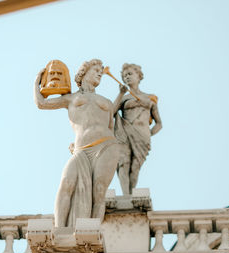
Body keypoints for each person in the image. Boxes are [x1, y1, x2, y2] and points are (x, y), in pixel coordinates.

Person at [34, 59, 120, 227]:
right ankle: (59, 228)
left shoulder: (107, 102)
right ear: (84, 73)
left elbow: (112, 127)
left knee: (99, 190)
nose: (99, 73)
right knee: (66, 182)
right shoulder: (70, 98)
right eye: (95, 70)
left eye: (101, 72)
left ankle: (92, 229)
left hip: (106, 146)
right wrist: (36, 83)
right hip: (81, 149)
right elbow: (42, 104)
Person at [113, 63, 162, 195]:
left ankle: (132, 193)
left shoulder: (149, 98)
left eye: (130, 74)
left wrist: (149, 134)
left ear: (138, 76)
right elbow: (111, 112)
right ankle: (126, 195)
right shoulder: (124, 98)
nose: (127, 77)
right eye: (124, 76)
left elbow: (159, 123)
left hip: (142, 135)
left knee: (135, 167)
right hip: (125, 133)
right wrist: (120, 93)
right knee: (124, 162)